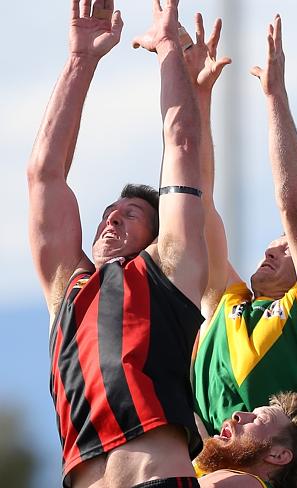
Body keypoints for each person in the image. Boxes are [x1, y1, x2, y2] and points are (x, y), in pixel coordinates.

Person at [27, 0, 208, 486]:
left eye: (131, 215)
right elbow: (45, 175)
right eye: (109, 212)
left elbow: (183, 144)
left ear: (155, 236)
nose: (111, 219)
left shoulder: (167, 270)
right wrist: (81, 60)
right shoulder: (68, 287)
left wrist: (168, 46)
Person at [182, 14, 297, 436]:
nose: (271, 250)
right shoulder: (226, 302)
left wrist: (274, 97)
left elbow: (294, 208)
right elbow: (196, 207)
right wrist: (198, 97)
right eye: (274, 245)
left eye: (288, 249)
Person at [194, 391, 297, 488]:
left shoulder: (248, 484)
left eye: (259, 419)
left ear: (277, 455)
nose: (237, 414)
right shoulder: (208, 474)